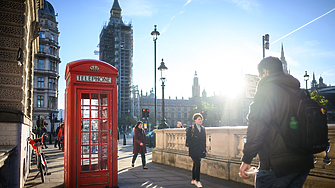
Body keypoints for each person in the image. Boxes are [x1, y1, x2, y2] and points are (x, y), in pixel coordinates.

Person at [239, 57, 314, 187]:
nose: (260, 79)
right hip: (303, 162)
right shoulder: (299, 91)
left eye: (260, 75)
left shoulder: (266, 90)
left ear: (265, 71)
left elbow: (257, 126)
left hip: (277, 166)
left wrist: (247, 159)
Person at [186, 113, 206, 188]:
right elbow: (188, 139)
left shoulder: (203, 128)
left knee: (196, 164)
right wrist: (192, 146)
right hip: (194, 149)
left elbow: (204, 140)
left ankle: (193, 179)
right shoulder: (191, 129)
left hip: (200, 149)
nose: (200, 121)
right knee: (198, 164)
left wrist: (204, 149)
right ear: (195, 120)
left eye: (201, 119)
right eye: (198, 119)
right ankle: (198, 181)